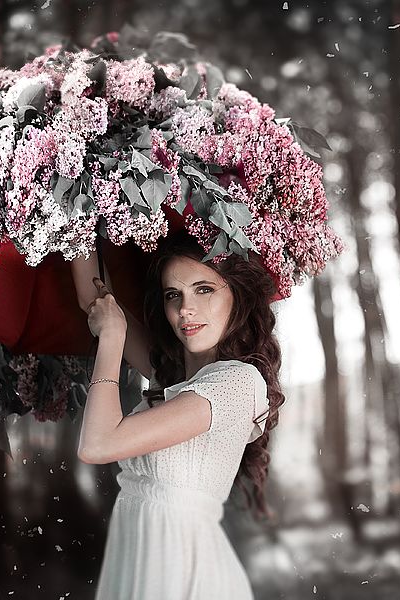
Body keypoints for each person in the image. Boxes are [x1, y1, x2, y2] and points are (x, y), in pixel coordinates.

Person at [70, 230, 285, 600]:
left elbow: (98, 445)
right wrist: (73, 202)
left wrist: (112, 338)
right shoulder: (171, 377)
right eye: (174, 295)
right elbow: (95, 299)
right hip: (140, 562)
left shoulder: (238, 383)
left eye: (204, 290)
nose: (186, 308)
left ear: (237, 295)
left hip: (188, 573)